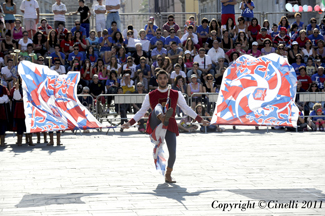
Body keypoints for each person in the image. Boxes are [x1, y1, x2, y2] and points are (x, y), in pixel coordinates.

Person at [122, 70, 209, 183]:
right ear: (157, 80)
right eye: (160, 78)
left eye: (165, 78)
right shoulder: (150, 95)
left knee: (173, 153)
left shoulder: (176, 94)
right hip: (156, 123)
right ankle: (162, 116)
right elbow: (142, 112)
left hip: (169, 124)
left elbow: (186, 109)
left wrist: (201, 120)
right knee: (157, 107)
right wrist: (130, 123)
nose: (163, 80)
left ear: (167, 80)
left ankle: (168, 175)